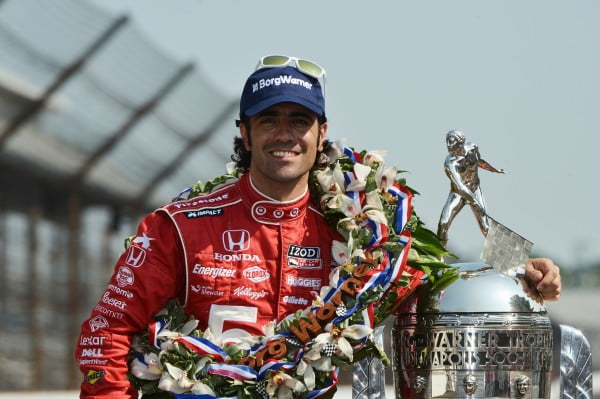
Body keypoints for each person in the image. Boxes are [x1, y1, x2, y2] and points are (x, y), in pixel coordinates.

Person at [75, 56, 561, 398]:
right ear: (244, 132)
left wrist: (519, 268)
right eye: (268, 120)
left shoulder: (362, 230)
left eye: (299, 120)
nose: (284, 133)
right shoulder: (178, 226)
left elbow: (429, 276)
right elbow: (107, 330)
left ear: (321, 133)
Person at [437, 130, 505, 246]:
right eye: (447, 142)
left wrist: (494, 170)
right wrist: (475, 202)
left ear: (460, 143)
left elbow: (479, 161)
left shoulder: (473, 148)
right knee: (443, 223)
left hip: (474, 189)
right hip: (458, 194)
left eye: (451, 142)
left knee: (485, 226)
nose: (448, 145)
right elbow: (460, 187)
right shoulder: (450, 164)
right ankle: (438, 257)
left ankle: (501, 254)